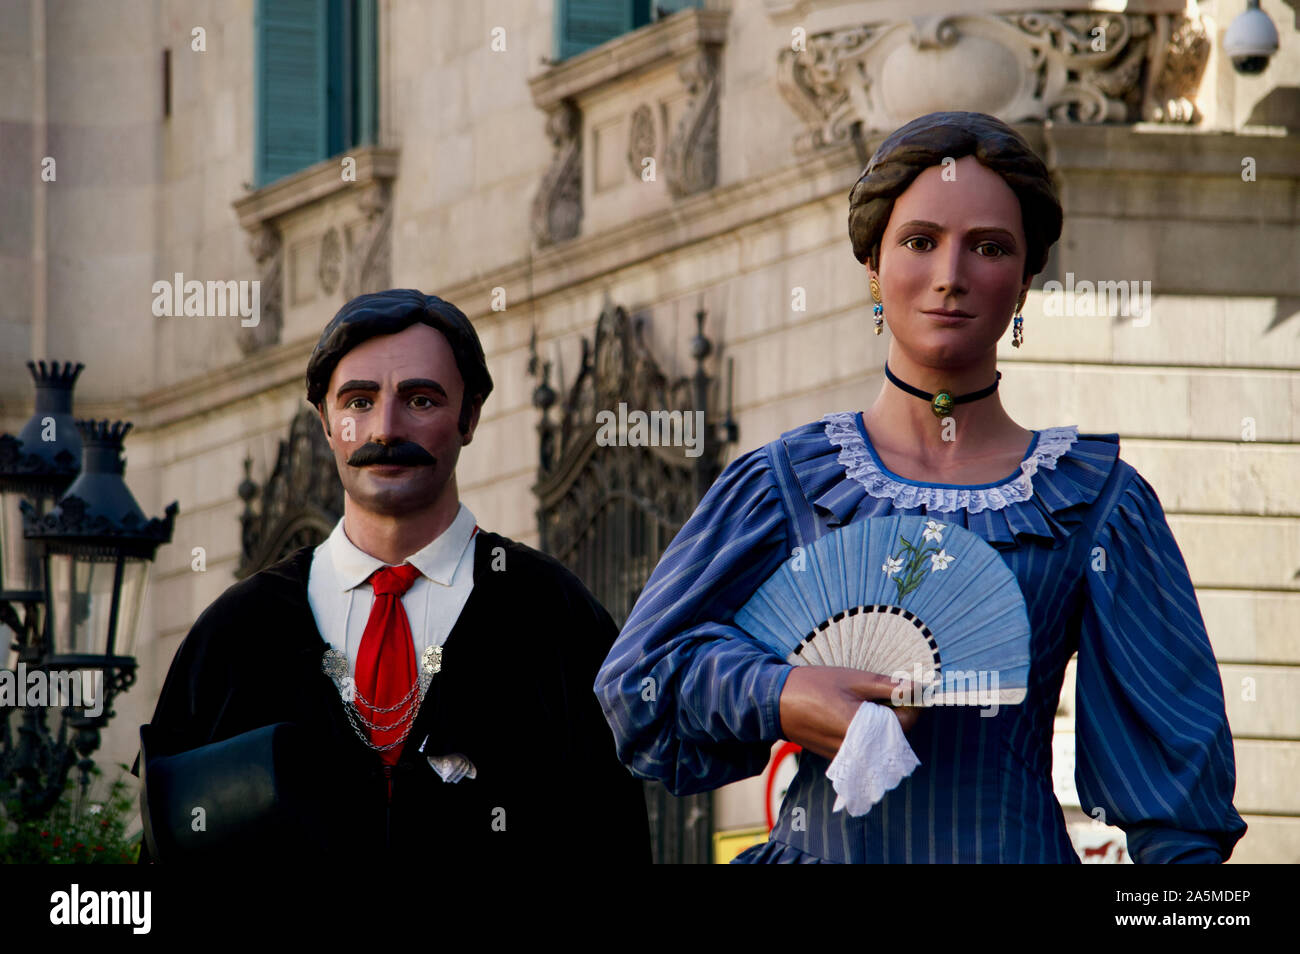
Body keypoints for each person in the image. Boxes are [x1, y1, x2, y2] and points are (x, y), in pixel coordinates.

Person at [594, 111, 1247, 863]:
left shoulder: (1099, 505)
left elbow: (1178, 806)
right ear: (874, 267)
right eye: (920, 241)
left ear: (1028, 277)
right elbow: (637, 682)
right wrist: (780, 693)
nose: (950, 275)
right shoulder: (783, 484)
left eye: (990, 247)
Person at [139, 289, 650, 862]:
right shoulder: (237, 634)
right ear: (325, 421)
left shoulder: (554, 617)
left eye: (421, 400)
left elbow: (615, 839)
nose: (384, 428)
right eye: (358, 401)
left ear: (470, 415)